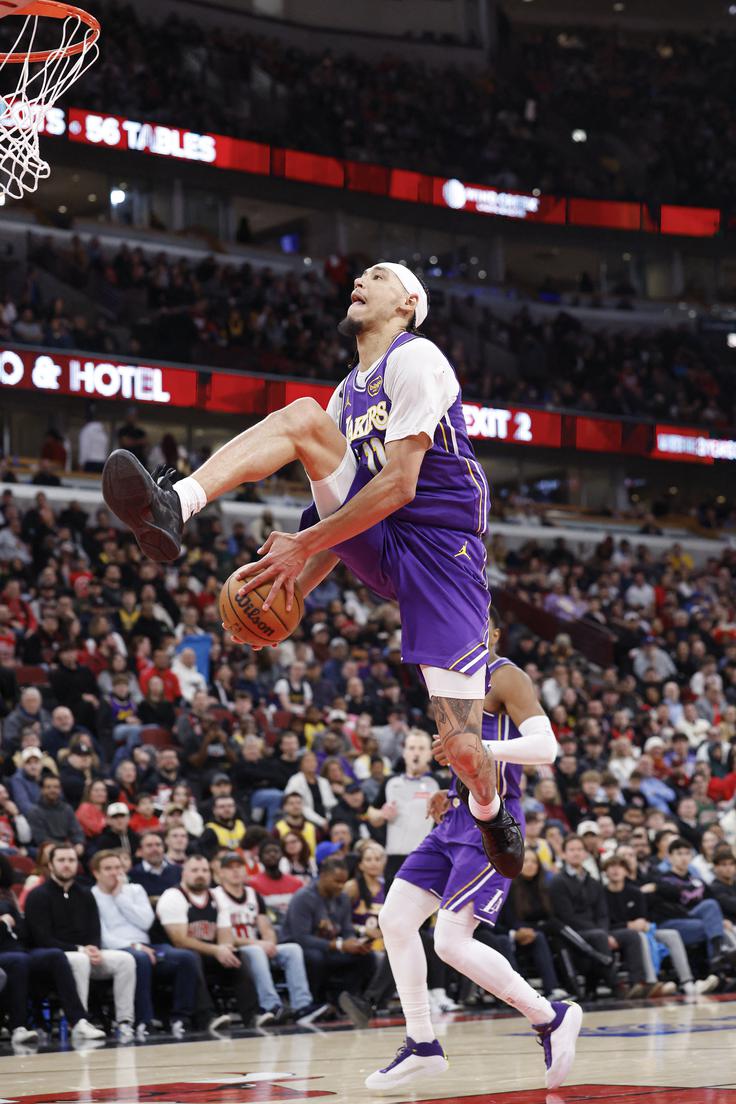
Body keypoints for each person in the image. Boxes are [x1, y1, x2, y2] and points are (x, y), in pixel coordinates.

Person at [102, 261, 523, 880]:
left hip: (442, 559)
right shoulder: (345, 396)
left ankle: (490, 811)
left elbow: (401, 484)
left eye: (376, 276)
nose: (360, 280)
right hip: (379, 536)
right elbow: (346, 520)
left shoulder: (418, 359)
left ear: (407, 301)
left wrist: (300, 550)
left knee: (462, 748)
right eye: (359, 275)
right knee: (303, 419)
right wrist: (290, 586)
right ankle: (177, 502)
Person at [365, 609, 579, 1094]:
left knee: (450, 941)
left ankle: (550, 1016)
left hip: (494, 822)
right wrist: (450, 782)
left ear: (494, 634)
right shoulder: (449, 685)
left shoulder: (506, 676)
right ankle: (421, 1042)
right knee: (395, 920)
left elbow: (545, 750)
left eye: (475, 623)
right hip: (457, 814)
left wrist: (475, 750)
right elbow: (464, 755)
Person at [24, 844, 138, 1042]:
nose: (67, 865)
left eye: (71, 860)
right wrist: (80, 949)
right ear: (50, 865)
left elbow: (95, 929)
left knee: (125, 960)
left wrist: (93, 947)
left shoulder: (86, 894)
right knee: (80, 960)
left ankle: (125, 1022)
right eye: (61, 860)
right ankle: (80, 1022)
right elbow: (43, 938)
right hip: (55, 958)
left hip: (85, 953)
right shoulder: (38, 895)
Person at [90, 850, 200, 1037]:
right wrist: (135, 947)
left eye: (118, 867)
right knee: (140, 959)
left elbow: (146, 922)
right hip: (117, 950)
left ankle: (181, 1018)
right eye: (108, 869)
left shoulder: (135, 890)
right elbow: (104, 937)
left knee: (186, 958)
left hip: (148, 945)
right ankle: (144, 1021)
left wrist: (120, 897)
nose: (114, 873)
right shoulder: (91, 896)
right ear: (96, 873)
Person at [0, 854, 105, 1048]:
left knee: (54, 955)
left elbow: (22, 928)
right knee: (18, 961)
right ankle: (18, 1027)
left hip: (20, 948)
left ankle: (79, 1021)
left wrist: (14, 925)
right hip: (5, 952)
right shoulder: (38, 894)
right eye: (62, 860)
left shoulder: (5, 895)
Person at [213, 852, 328, 1025]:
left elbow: (266, 927)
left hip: (256, 946)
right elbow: (225, 937)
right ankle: (271, 1006)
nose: (235, 872)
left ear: (245, 870)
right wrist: (259, 944)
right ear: (220, 873)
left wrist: (269, 943)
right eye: (230, 868)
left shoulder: (253, 894)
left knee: (292, 950)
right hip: (234, 950)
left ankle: (302, 1006)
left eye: (239, 867)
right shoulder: (216, 896)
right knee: (256, 951)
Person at [156, 854, 258, 1031]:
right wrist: (217, 950)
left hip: (205, 953)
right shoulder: (173, 896)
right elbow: (179, 940)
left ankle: (252, 1016)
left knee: (238, 956)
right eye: (194, 870)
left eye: (204, 870)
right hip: (169, 956)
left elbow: (225, 936)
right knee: (191, 957)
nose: (200, 874)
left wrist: (225, 949)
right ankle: (207, 1017)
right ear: (184, 874)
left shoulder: (216, 897)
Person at [603, 854, 717, 996]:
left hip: (642, 929)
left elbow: (643, 917)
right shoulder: (601, 894)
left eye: (619, 867)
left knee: (671, 935)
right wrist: (628, 925)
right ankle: (652, 982)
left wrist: (642, 924)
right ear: (605, 871)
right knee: (639, 936)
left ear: (626, 871)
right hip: (618, 933)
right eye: (611, 867)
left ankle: (687, 983)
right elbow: (602, 922)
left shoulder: (635, 892)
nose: (615, 871)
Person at [281, 855, 375, 1004]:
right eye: (336, 881)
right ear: (323, 876)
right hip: (300, 949)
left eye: (343, 882)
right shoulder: (303, 897)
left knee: (367, 957)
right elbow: (302, 938)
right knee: (315, 957)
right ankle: (315, 1003)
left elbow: (347, 929)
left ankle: (345, 1001)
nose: (340, 886)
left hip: (329, 949)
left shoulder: (343, 898)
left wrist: (354, 943)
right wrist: (339, 945)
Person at [366, 729, 439, 886]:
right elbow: (372, 814)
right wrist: (382, 814)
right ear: (404, 752)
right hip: (394, 857)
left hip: (426, 857)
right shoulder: (390, 782)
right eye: (411, 748)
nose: (416, 753)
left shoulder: (439, 784)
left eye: (421, 749)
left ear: (430, 754)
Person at [247, 838, 308, 927]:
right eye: (267, 852)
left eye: (276, 851)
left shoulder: (296, 883)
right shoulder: (252, 884)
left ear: (282, 855)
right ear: (259, 858)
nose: (272, 854)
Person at [26, 774, 84, 852]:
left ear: (60, 790)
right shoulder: (34, 811)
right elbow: (41, 838)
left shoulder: (67, 809)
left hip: (67, 848)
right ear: (42, 790)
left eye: (56, 787)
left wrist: (79, 843)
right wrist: (64, 846)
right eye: (48, 787)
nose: (52, 790)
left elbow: (76, 831)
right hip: (46, 849)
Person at [130, 831, 182, 903]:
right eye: (149, 845)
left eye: (158, 845)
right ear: (140, 851)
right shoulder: (133, 874)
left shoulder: (178, 871)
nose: (155, 849)